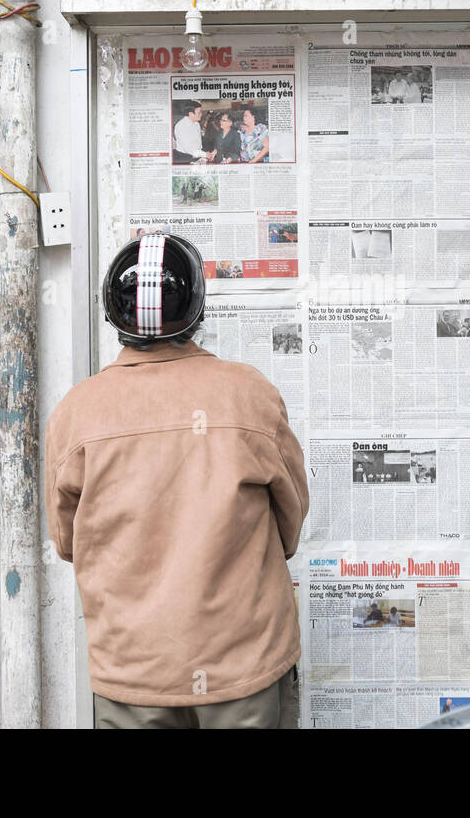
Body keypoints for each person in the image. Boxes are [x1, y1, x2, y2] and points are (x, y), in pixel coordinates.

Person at [45, 232, 309, 729]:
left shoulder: (75, 413)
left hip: (134, 675)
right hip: (243, 668)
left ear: (115, 316)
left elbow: (67, 543)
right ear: (196, 309)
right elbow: (289, 525)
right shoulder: (249, 394)